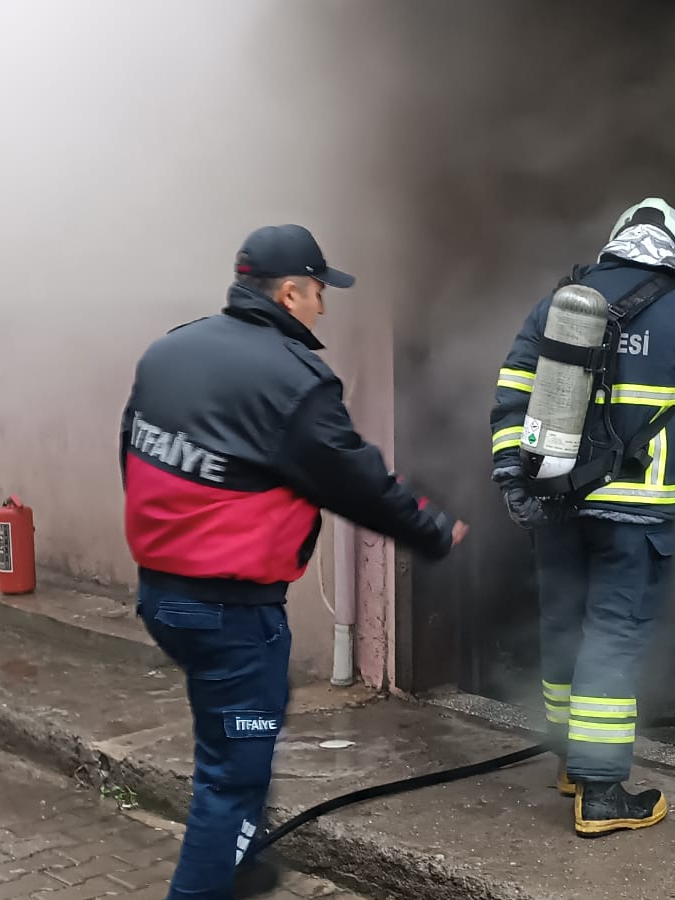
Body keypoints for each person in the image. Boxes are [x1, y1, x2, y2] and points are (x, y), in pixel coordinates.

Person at [121, 223, 467, 898]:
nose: (323, 308)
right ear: (287, 292)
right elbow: (355, 480)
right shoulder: (293, 380)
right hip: (231, 615)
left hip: (165, 597)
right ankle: (224, 867)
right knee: (229, 780)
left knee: (240, 736)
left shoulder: (172, 349)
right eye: (317, 292)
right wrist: (430, 530)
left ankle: (243, 866)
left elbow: (130, 449)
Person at [488, 198, 675, 836]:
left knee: (565, 626)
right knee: (614, 636)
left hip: (556, 498)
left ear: (617, 240)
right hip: (635, 511)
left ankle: (571, 762)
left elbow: (512, 390)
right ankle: (601, 793)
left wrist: (513, 477)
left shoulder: (564, 299)